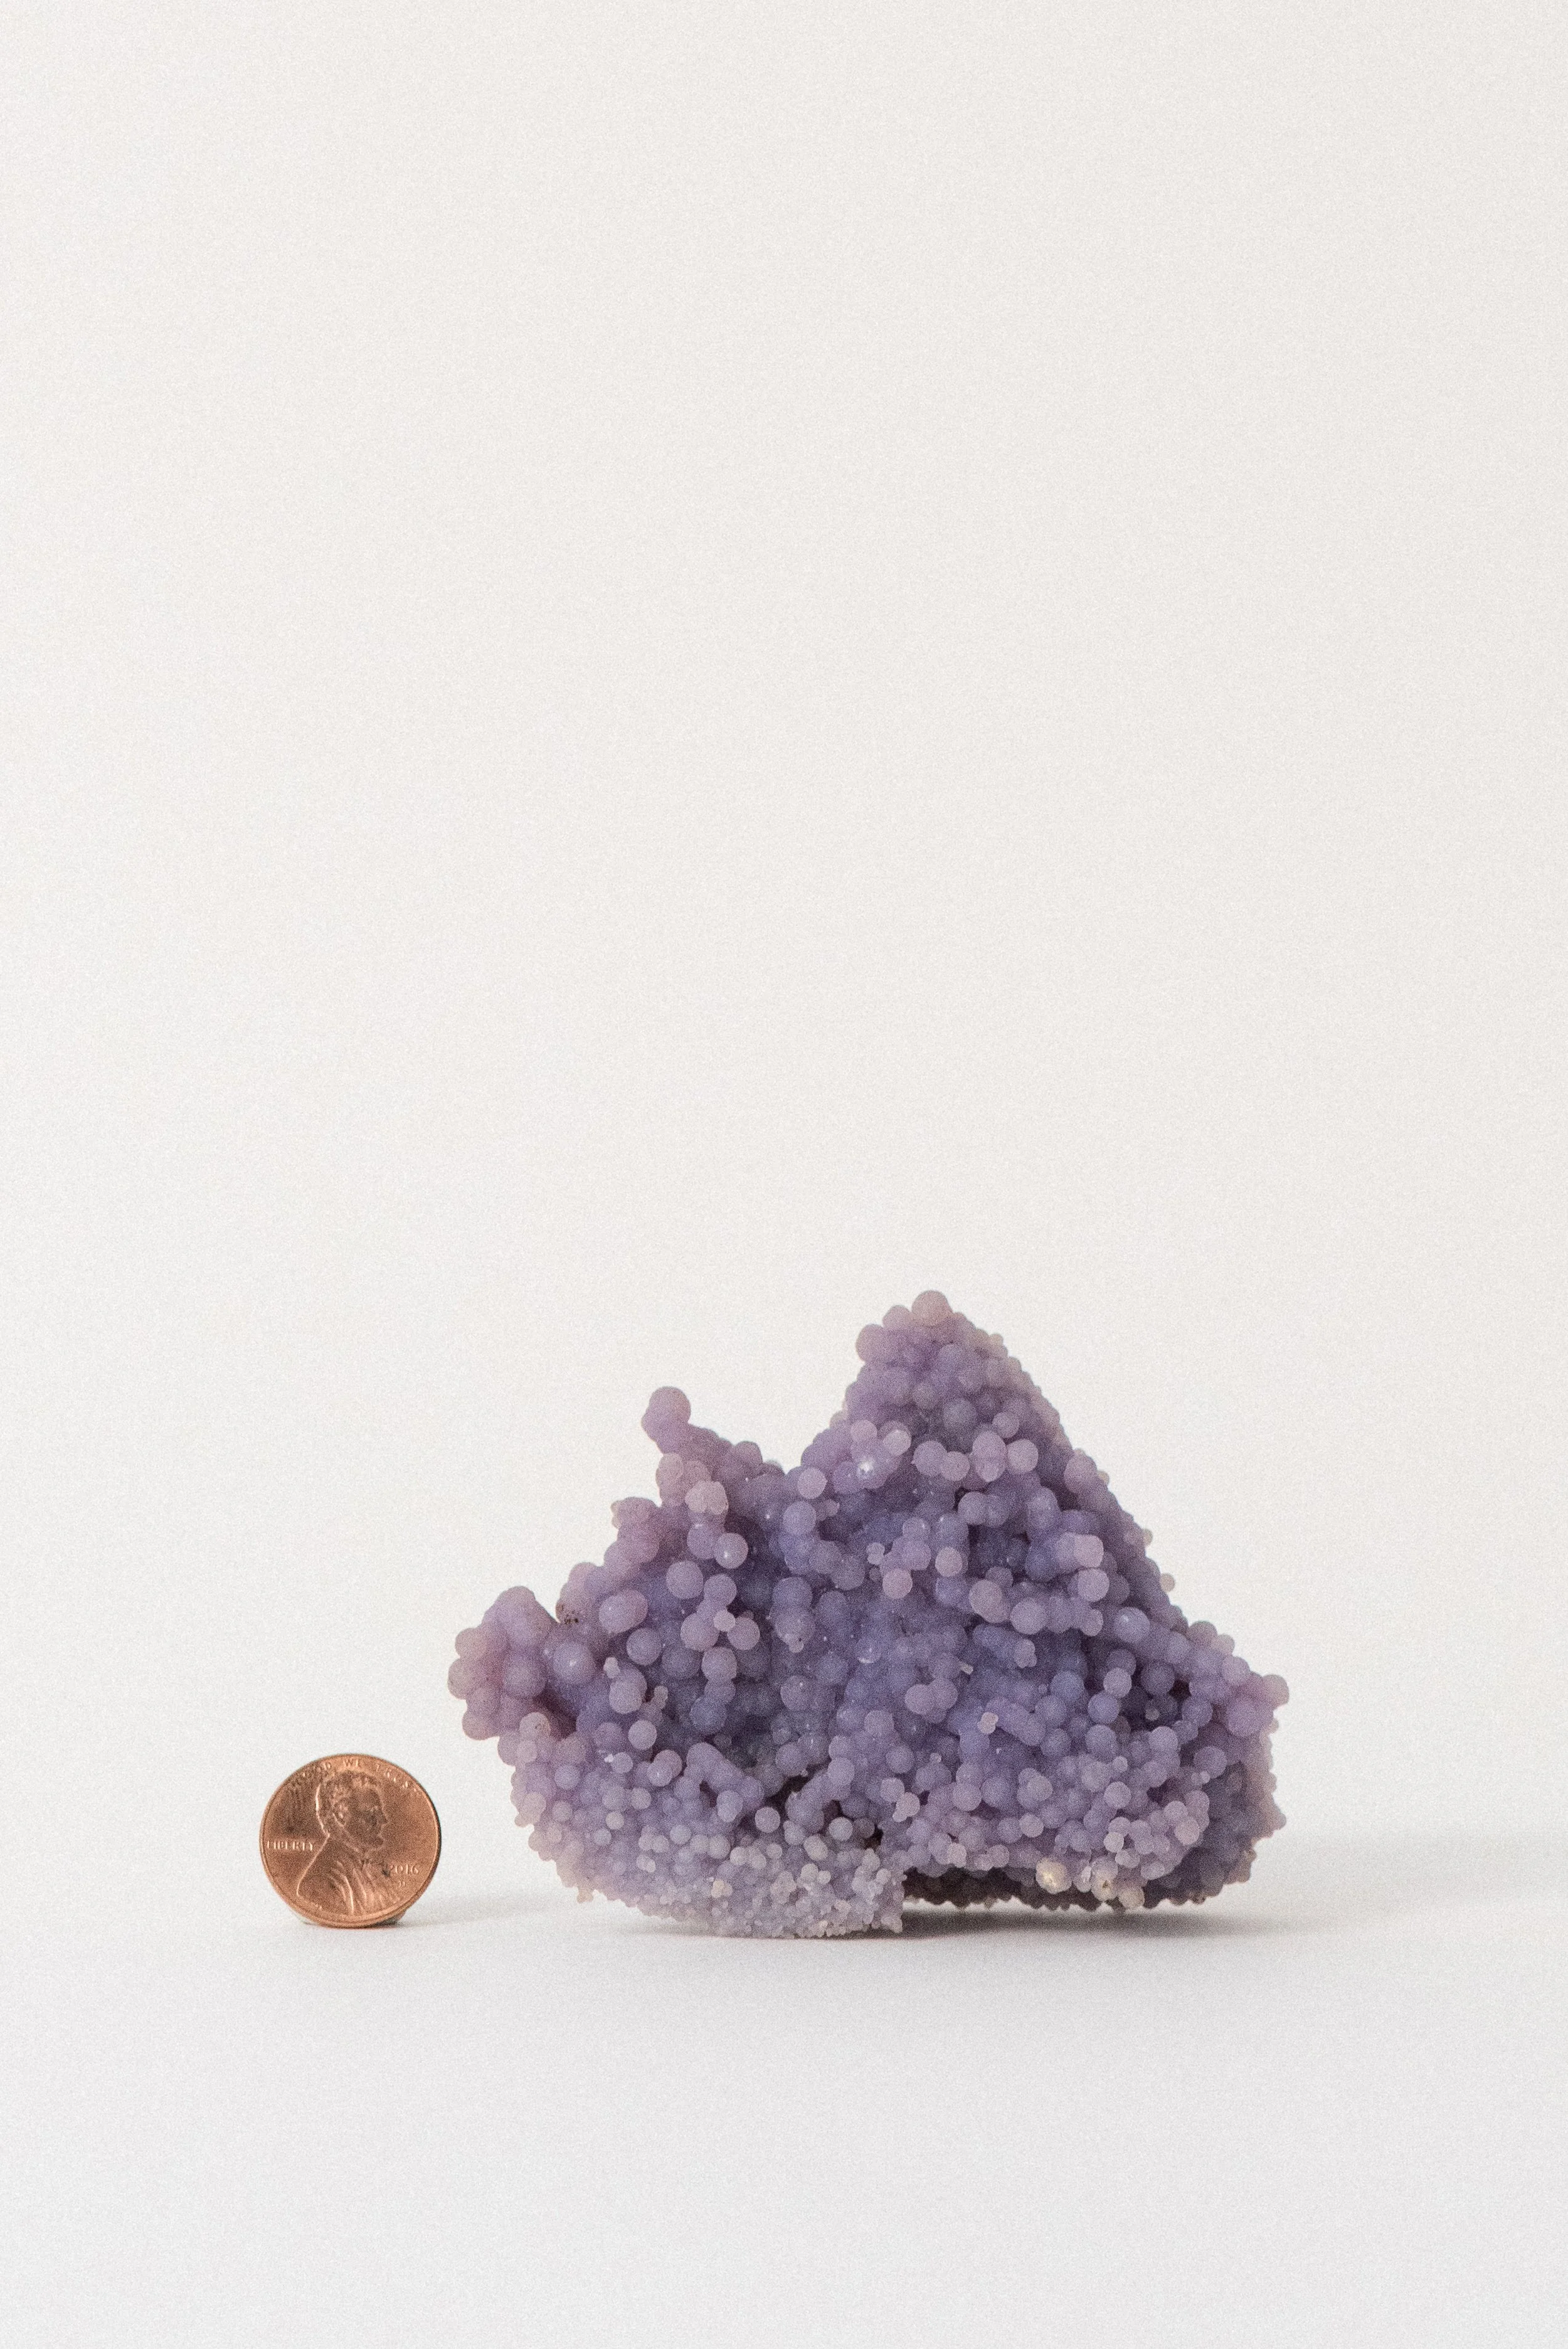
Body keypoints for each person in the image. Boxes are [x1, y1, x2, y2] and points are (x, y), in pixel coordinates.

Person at [296, 1768, 396, 1917]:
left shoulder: (374, 1869)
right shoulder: (318, 1883)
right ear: (341, 1815)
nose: (383, 1820)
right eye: (371, 1812)